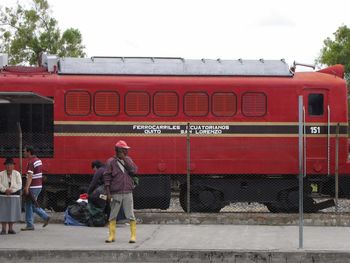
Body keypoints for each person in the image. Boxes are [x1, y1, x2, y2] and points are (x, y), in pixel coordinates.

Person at [104, 140, 138, 243]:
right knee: (113, 214)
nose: (126, 152)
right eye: (124, 150)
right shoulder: (110, 162)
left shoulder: (128, 160)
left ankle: (133, 236)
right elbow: (107, 178)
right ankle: (111, 236)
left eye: (126, 150)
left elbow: (134, 170)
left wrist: (125, 159)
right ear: (118, 150)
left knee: (130, 214)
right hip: (116, 192)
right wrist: (108, 193)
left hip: (127, 191)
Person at [21, 145, 50, 231]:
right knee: (32, 205)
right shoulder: (38, 160)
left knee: (28, 205)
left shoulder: (31, 162)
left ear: (29, 152)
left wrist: (26, 187)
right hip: (38, 186)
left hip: (33, 187)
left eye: (24, 151)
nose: (23, 153)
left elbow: (30, 176)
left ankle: (30, 224)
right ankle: (46, 216)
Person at [0, 158, 22, 234]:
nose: (9, 166)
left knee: (12, 212)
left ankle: (10, 229)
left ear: (13, 166)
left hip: (14, 196)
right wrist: (5, 190)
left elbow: (19, 185)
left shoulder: (17, 174)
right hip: (3, 195)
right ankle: (3, 229)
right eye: (7, 165)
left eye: (10, 165)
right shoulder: (1, 174)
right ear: (5, 166)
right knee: (3, 212)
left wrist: (11, 190)